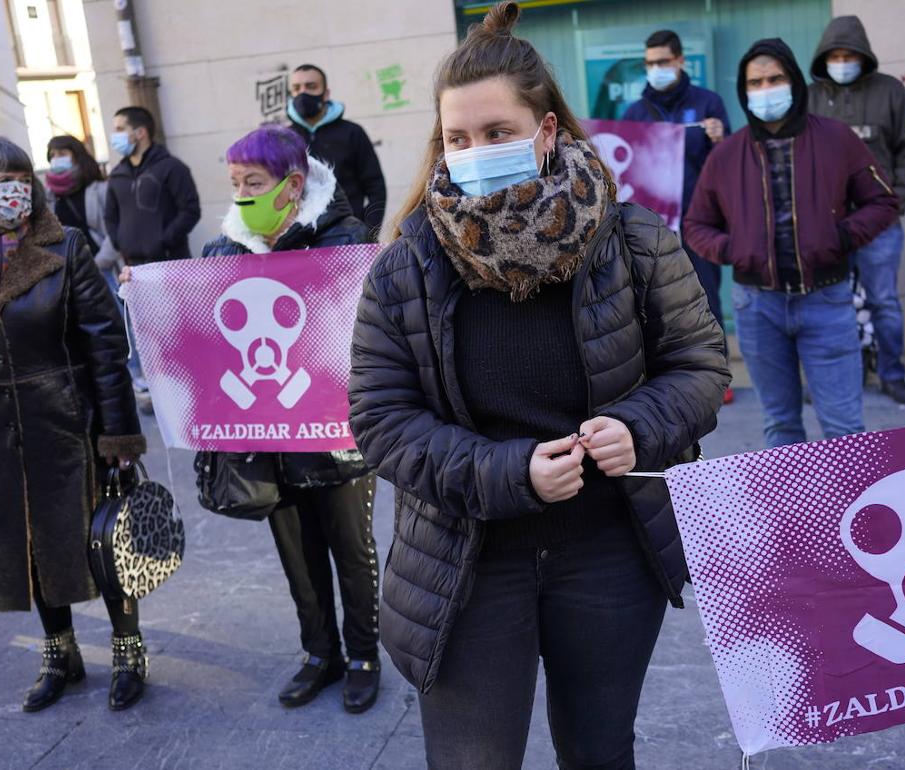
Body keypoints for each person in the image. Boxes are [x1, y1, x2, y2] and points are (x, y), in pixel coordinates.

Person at [347, 4, 731, 767]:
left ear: (547, 131)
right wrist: (508, 472)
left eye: (498, 133)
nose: (476, 152)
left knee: (599, 750)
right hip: (465, 560)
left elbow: (700, 363)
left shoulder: (635, 240)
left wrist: (640, 426)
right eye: (459, 139)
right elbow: (380, 419)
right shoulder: (406, 264)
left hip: (607, 554)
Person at [0, 137, 150, 712]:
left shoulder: (64, 245)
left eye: (22, 177)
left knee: (99, 540)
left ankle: (127, 648)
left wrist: (116, 432)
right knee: (27, 547)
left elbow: (105, 344)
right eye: (1, 180)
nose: (15, 190)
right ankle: (59, 652)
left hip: (68, 423)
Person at [199, 125, 382, 714]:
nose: (242, 195)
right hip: (266, 436)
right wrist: (144, 293)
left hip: (335, 432)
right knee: (296, 552)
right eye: (235, 184)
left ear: (293, 185)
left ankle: (362, 655)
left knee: (350, 551)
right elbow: (195, 319)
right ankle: (317, 653)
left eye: (254, 183)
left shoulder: (344, 240)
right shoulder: (224, 249)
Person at [684, 38, 899, 449]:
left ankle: (861, 514)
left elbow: (883, 200)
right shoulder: (726, 155)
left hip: (827, 302)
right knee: (780, 428)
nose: (766, 89)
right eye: (756, 82)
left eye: (775, 78)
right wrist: (733, 251)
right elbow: (696, 224)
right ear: (745, 91)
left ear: (794, 82)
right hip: (757, 309)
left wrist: (840, 237)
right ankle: (795, 514)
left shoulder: (837, 138)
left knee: (844, 429)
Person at [809, 15, 905, 406]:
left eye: (849, 55)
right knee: (830, 306)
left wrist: (898, 203)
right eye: (835, 55)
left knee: (884, 302)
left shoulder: (890, 92)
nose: (842, 62)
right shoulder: (808, 99)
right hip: (826, 225)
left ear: (863, 56)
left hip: (879, 224)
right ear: (824, 58)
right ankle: (838, 376)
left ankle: (892, 374)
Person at [622, 29, 736, 405]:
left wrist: (722, 140)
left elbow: (729, 164)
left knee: (704, 301)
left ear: (680, 61)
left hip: (699, 223)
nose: (656, 69)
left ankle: (717, 378)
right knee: (652, 302)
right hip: (653, 227)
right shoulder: (635, 114)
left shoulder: (708, 104)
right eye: (650, 63)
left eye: (663, 62)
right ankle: (661, 376)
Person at [105, 106, 201, 411]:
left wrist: (162, 242)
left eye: (120, 128)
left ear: (140, 132)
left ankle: (193, 390)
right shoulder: (117, 174)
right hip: (134, 270)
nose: (116, 134)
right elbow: (111, 216)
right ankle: (161, 394)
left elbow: (190, 210)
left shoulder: (172, 168)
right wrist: (122, 243)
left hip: (170, 266)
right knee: (145, 335)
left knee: (179, 330)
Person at [287, 65, 387, 235]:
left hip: (347, 238)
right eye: (296, 88)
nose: (303, 93)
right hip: (298, 242)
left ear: (326, 93)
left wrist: (367, 233)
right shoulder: (284, 139)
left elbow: (376, 188)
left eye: (311, 87)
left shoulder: (352, 132)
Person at [45, 135, 121, 294]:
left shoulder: (99, 189)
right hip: (69, 275)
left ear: (76, 155)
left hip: (102, 270)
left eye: (62, 154)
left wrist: (98, 264)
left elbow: (114, 231)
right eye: (52, 155)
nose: (56, 159)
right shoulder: (50, 195)